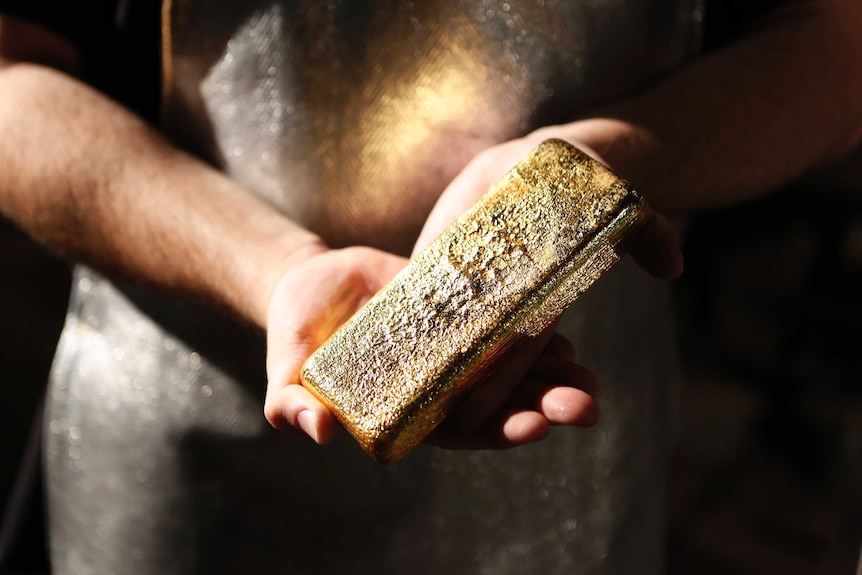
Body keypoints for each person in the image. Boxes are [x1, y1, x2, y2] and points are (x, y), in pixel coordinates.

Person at [1, 0, 860, 573]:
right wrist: (271, 265)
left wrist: (615, 159)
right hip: (178, 455)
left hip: (572, 459)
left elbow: (838, 40)